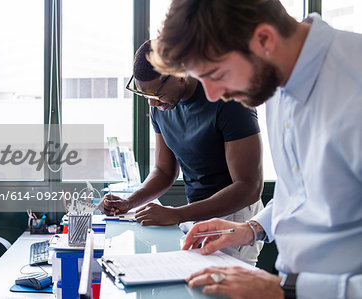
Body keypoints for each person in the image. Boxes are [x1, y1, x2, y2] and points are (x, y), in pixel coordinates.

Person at [150, 0, 362, 298]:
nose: (211, 95)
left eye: (217, 74)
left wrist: (284, 290)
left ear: (264, 40)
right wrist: (251, 228)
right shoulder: (276, 81)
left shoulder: (354, 80)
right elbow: (304, 194)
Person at [101, 40, 265, 265]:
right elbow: (163, 171)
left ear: (180, 74)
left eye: (155, 92)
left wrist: (178, 214)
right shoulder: (162, 106)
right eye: (143, 94)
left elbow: (249, 187)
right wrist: (129, 202)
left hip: (234, 217)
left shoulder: (229, 100)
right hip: (193, 214)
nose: (151, 102)